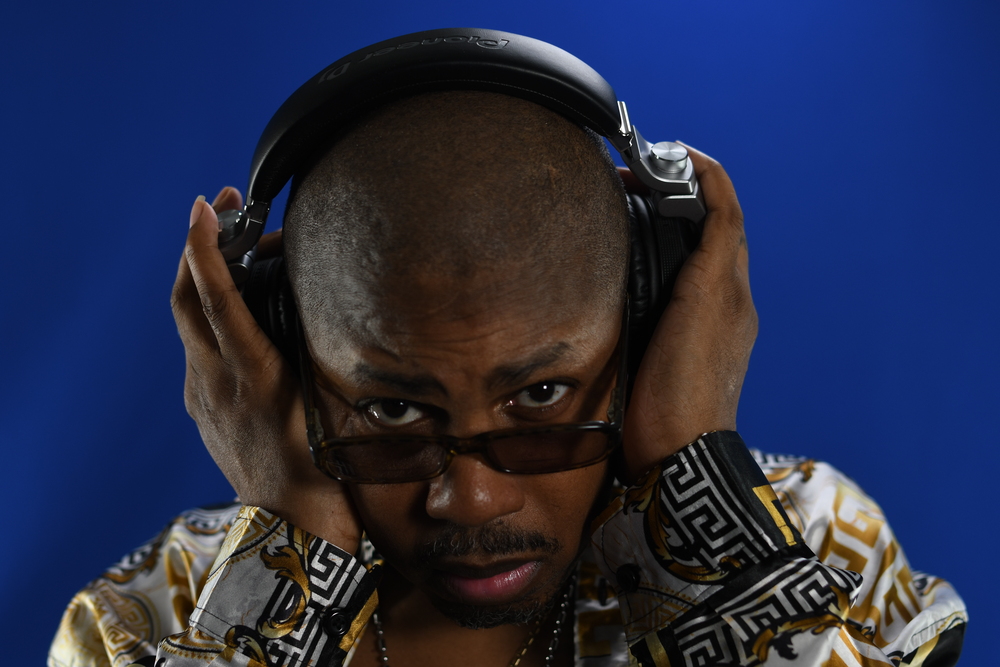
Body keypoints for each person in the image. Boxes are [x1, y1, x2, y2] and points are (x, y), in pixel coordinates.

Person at [50, 63, 966, 667]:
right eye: (393, 411)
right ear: (280, 361)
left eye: (542, 395)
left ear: (645, 326)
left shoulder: (815, 537)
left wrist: (692, 479)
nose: (472, 499)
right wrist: (289, 555)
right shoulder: (152, 615)